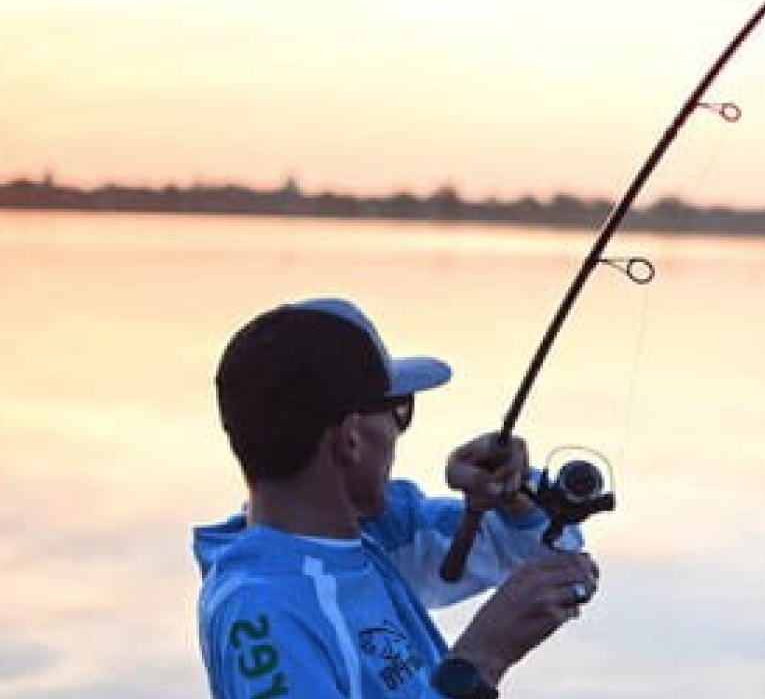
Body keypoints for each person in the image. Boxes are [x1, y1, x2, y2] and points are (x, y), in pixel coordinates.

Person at [193, 297, 599, 699]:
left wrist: (511, 495)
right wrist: (478, 662)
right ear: (350, 438)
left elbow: (540, 552)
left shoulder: (370, 536)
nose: (397, 432)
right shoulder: (263, 612)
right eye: (398, 411)